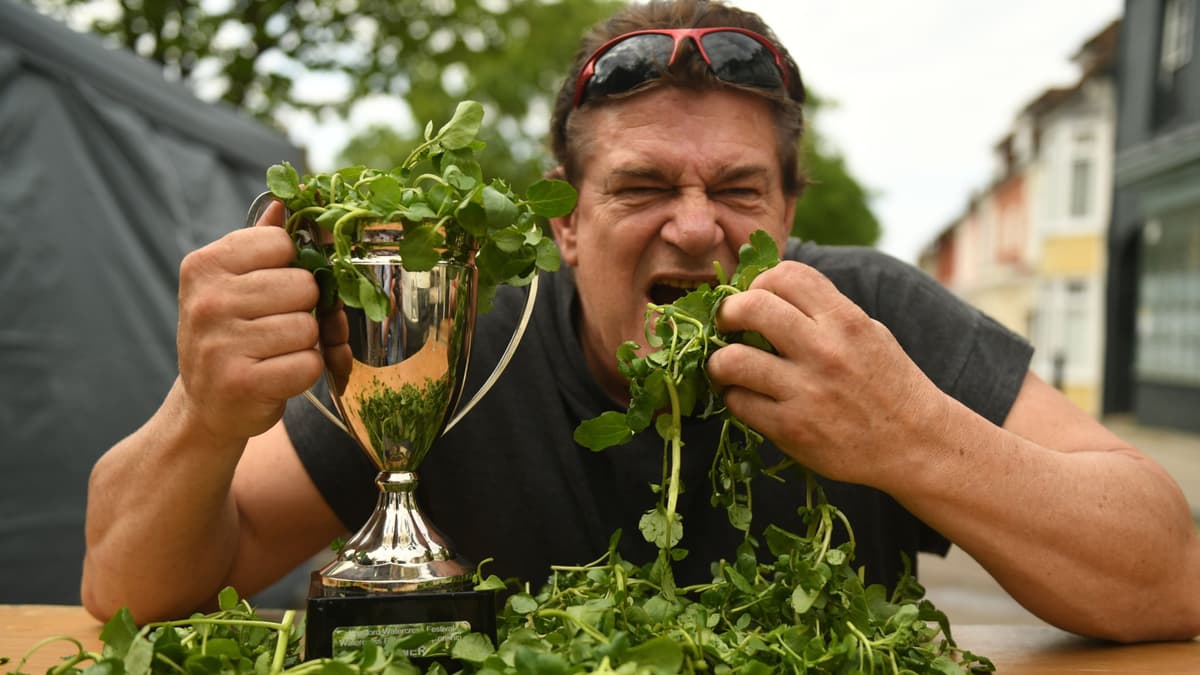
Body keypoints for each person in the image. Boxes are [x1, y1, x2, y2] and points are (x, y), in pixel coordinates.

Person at [81, 0, 1200, 643]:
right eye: (643, 187)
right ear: (566, 222)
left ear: (792, 214)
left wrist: (910, 435)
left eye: (741, 191)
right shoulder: (470, 337)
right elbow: (128, 592)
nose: (698, 227)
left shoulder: (873, 318)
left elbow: (1168, 573)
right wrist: (202, 410)